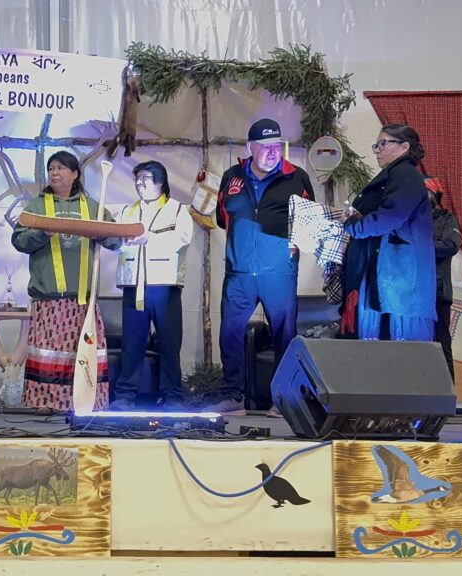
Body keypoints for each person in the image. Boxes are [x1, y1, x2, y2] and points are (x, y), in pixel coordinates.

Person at [211, 118, 314, 417]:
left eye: (276, 146)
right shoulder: (232, 177)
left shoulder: (297, 177)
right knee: (230, 334)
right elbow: (222, 217)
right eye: (264, 146)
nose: (271, 152)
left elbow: (309, 224)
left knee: (285, 334)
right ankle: (233, 397)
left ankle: (282, 400)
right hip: (239, 274)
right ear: (250, 147)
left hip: (279, 273)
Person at [12, 151, 123, 414]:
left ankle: (85, 400)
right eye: (51, 168)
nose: (54, 172)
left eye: (61, 168)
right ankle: (46, 402)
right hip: (49, 297)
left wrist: (102, 233)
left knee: (81, 353)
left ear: (75, 174)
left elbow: (117, 240)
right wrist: (43, 232)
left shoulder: (92, 206)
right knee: (49, 352)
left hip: (84, 299)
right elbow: (18, 241)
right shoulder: (37, 206)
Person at [109, 161, 192, 411]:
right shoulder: (126, 211)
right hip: (134, 287)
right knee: (132, 344)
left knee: (169, 343)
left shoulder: (177, 210)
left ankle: (173, 396)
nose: (139, 182)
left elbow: (182, 239)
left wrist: (150, 239)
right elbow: (116, 241)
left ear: (160, 182)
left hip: (164, 287)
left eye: (145, 177)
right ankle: (125, 396)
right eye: (137, 178)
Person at [340, 123, 435, 341]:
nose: (378, 150)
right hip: (387, 276)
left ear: (404, 147)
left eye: (383, 143)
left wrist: (355, 224)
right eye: (376, 145)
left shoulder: (406, 175)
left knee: (403, 352)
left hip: (401, 281)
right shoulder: (395, 175)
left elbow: (390, 216)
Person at [426, 177, 460, 381]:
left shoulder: (447, 219)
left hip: (438, 293)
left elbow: (451, 246)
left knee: (441, 343)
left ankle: (448, 398)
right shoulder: (407, 220)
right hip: (410, 294)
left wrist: (418, 245)